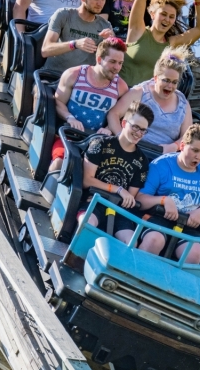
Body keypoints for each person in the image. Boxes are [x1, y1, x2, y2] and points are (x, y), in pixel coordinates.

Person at [136, 123, 200, 264]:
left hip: (187, 224)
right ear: (182, 146)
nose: (198, 157)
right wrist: (163, 200)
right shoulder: (161, 165)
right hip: (158, 217)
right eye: (194, 150)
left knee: (195, 252)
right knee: (154, 240)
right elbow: (140, 200)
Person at [78, 101, 154, 243]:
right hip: (94, 201)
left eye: (143, 130)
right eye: (135, 127)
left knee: (131, 241)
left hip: (118, 211)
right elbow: (86, 180)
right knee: (87, 223)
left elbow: (130, 198)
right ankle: (75, 259)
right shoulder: (101, 144)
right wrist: (118, 189)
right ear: (124, 123)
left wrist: (123, 195)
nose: (138, 133)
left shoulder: (142, 161)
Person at [49, 37, 129, 171]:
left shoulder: (121, 87)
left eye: (120, 63)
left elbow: (123, 116)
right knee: (59, 164)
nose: (117, 68)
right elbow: (58, 102)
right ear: (99, 59)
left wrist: (109, 128)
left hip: (97, 142)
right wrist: (69, 117)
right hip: (69, 135)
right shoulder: (74, 74)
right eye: (112, 62)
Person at [118, 0, 200, 87]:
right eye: (163, 14)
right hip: (120, 94)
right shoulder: (138, 31)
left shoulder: (171, 43)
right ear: (153, 14)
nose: (167, 19)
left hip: (144, 101)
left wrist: (198, 1)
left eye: (171, 17)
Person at [106, 46, 191, 152]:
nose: (170, 86)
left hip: (164, 154)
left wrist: (174, 146)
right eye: (166, 80)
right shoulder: (140, 92)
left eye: (174, 82)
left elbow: (187, 136)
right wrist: (121, 139)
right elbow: (113, 114)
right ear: (155, 78)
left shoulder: (183, 104)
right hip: (134, 149)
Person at [41, 0, 115, 72]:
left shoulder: (105, 26)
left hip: (82, 82)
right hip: (51, 76)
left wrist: (111, 42)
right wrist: (75, 44)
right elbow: (45, 50)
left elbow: (109, 62)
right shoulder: (63, 15)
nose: (100, 3)